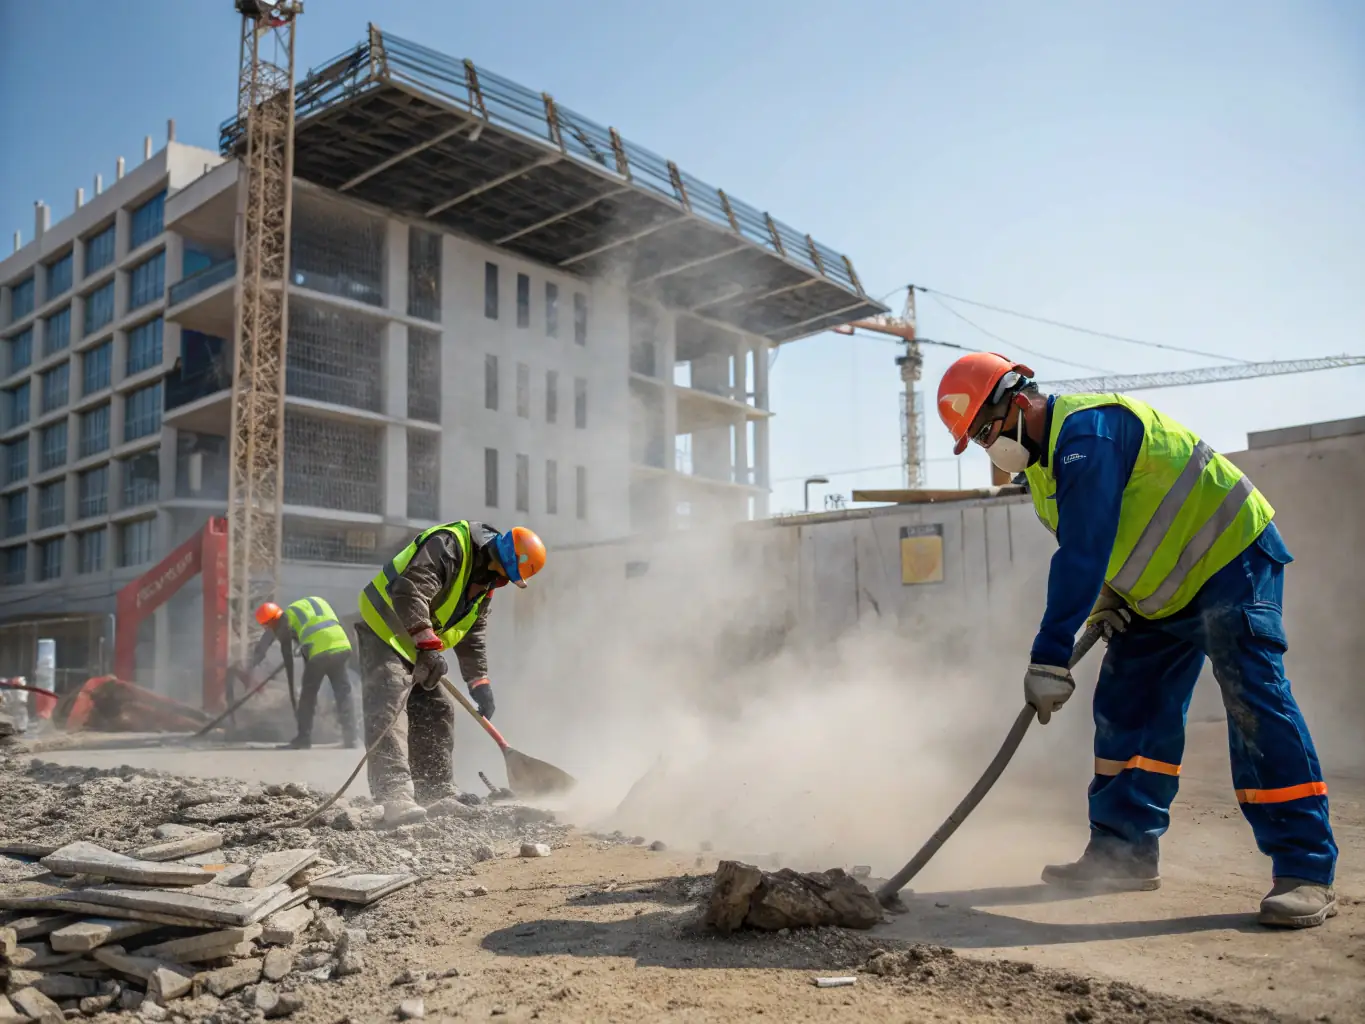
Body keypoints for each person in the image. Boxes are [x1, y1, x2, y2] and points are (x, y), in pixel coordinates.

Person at [935, 351, 1338, 928]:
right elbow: (1103, 540)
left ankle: (1305, 868)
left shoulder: (1088, 433)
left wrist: (1050, 654)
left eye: (984, 431)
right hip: (1159, 593)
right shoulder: (1043, 468)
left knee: (1254, 702)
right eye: (974, 439)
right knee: (1127, 705)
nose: (987, 448)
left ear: (1018, 403)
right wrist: (1110, 596)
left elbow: (1083, 550)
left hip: (1229, 560)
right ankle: (1123, 852)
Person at [356, 520, 546, 827]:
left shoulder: (487, 579)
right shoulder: (450, 545)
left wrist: (478, 680)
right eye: (509, 576)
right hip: (386, 627)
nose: (506, 582)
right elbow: (410, 589)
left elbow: (472, 632)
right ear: (506, 561)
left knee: (438, 708)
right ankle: (394, 796)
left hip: (417, 643)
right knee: (389, 702)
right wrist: (427, 644)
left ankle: (435, 790)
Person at [250, 598, 360, 750]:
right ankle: (351, 738)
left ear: (269, 621)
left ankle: (304, 738)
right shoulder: (314, 603)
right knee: (343, 692)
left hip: (319, 652)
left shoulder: (285, 617)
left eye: (267, 626)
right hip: (342, 645)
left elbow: (271, 642)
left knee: (308, 696)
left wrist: (253, 663)